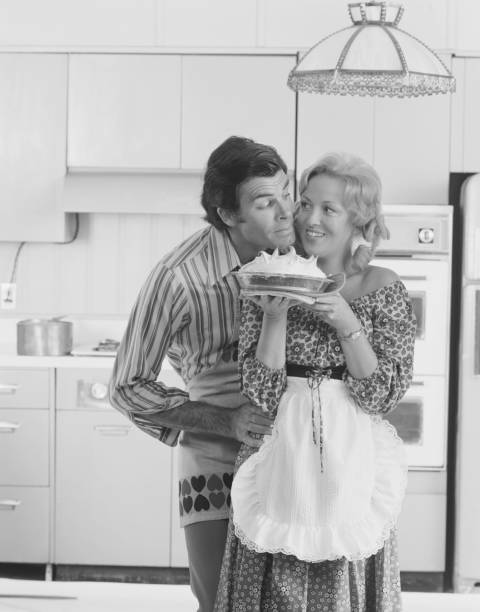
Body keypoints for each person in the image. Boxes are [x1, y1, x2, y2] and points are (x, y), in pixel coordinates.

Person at [214, 152, 416, 612]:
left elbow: (380, 395)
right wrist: (274, 318)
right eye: (305, 203)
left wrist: (347, 321)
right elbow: (261, 393)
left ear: (358, 220)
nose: (309, 218)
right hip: (280, 454)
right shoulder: (268, 275)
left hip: (350, 461)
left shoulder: (383, 287)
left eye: (329, 209)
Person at [108, 135, 296, 612]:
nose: (285, 212)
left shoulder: (299, 259)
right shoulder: (180, 278)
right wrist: (226, 421)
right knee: (219, 598)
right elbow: (128, 387)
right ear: (228, 214)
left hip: (291, 449)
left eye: (286, 193)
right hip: (215, 457)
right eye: (264, 202)